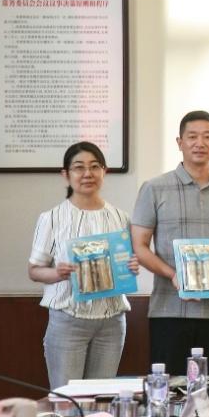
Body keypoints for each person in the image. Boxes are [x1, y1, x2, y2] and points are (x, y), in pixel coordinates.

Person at [132, 110, 209, 373]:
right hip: (168, 311)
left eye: (207, 136)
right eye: (192, 136)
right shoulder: (154, 188)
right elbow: (139, 246)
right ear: (179, 142)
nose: (199, 143)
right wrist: (173, 275)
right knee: (168, 387)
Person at [29, 143, 140, 389]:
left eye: (94, 167)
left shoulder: (121, 217)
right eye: (79, 167)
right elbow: (34, 270)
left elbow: (126, 263)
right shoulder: (52, 218)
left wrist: (132, 265)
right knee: (67, 400)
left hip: (112, 322)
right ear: (66, 174)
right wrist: (57, 273)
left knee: (100, 400)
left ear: (104, 171)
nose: (87, 173)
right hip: (68, 319)